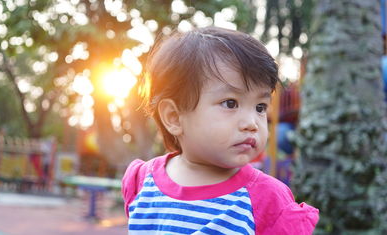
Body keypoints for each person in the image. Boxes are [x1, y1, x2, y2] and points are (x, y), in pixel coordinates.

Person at [122, 27, 319, 234]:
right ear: (174, 117)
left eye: (260, 107)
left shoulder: (267, 199)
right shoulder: (143, 182)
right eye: (230, 103)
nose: (251, 123)